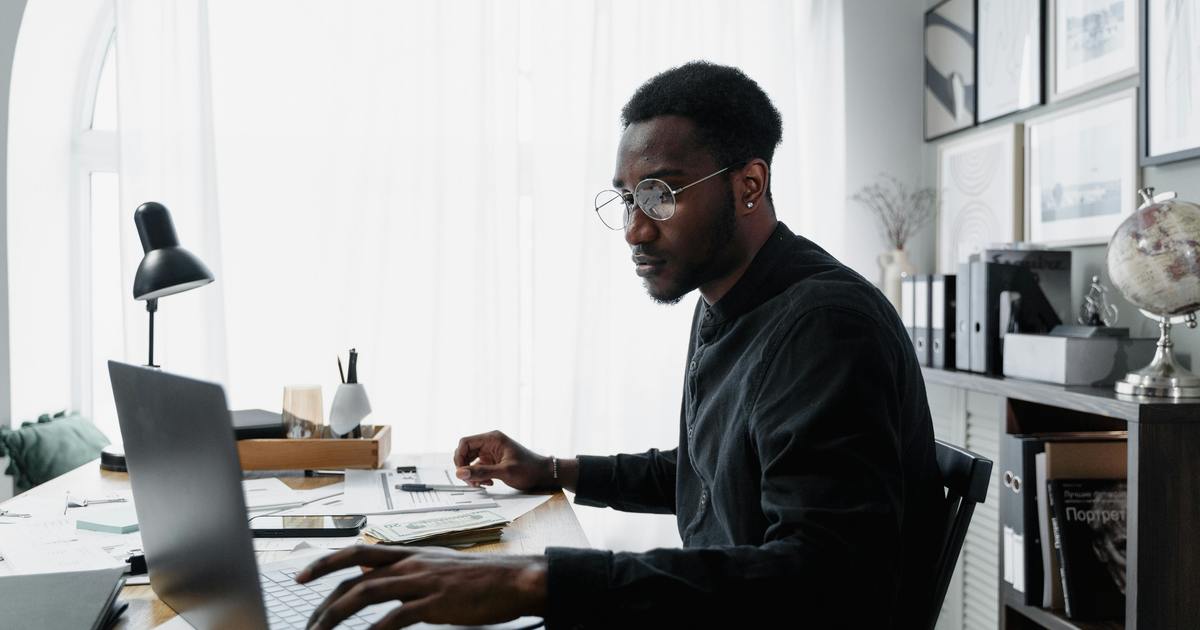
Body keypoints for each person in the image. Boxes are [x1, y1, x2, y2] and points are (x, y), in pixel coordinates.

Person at [298, 61, 946, 629]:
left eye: (661, 195)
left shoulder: (824, 325)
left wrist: (535, 580)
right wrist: (553, 470)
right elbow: (707, 472)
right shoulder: (727, 298)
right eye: (626, 198)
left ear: (748, 185)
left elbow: (823, 579)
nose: (634, 229)